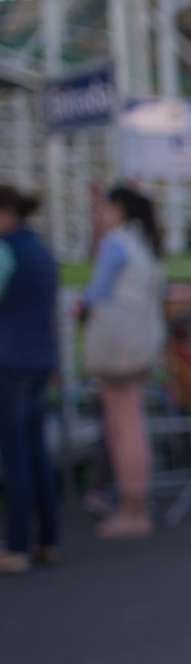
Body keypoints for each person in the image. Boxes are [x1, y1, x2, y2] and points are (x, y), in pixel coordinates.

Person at [81, 185, 166, 539]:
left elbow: (96, 292)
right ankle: (135, 504)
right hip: (140, 344)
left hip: (116, 348)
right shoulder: (145, 245)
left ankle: (132, 508)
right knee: (132, 424)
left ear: (117, 208)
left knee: (123, 428)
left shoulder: (116, 244)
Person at [0, 184, 60, 574]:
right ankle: (47, 540)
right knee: (37, 451)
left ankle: (17, 545)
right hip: (39, 359)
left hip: (10, 359)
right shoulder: (40, 249)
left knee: (15, 455)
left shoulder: (7, 250)